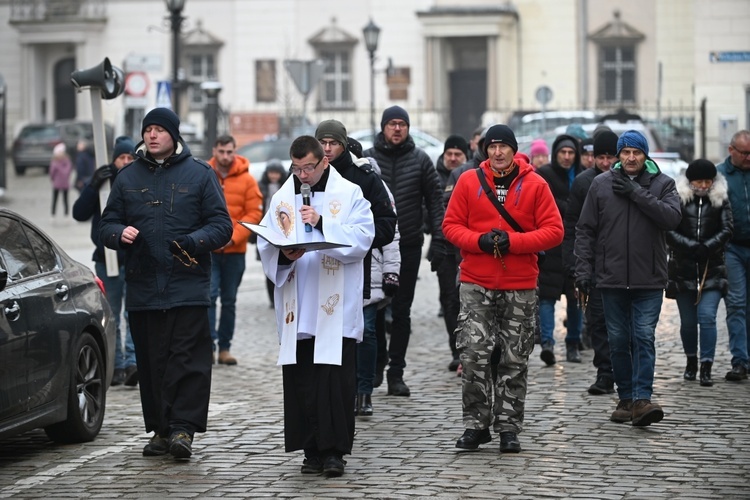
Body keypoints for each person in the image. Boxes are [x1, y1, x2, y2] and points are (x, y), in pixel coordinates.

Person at [99, 107, 233, 459]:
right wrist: (117, 233)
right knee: (152, 362)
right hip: (143, 287)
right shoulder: (127, 177)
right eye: (148, 129)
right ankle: (160, 429)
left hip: (188, 284)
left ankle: (182, 430)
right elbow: (105, 223)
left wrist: (193, 241)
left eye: (159, 129)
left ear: (174, 135)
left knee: (186, 361)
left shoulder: (201, 174)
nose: (152, 135)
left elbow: (222, 226)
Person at [257, 135, 375, 477]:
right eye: (297, 168)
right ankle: (310, 450)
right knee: (303, 381)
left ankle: (335, 451)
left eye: (308, 167)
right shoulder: (283, 197)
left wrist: (322, 222)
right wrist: (283, 254)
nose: (303, 175)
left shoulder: (349, 193)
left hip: (334, 307)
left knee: (333, 381)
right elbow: (268, 242)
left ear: (324, 161)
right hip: (299, 302)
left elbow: (363, 239)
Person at [443, 124, 564, 453]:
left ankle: (509, 427)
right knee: (473, 355)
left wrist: (516, 241)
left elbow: (554, 231)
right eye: (491, 147)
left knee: (514, 358)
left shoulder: (536, 184)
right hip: (476, 282)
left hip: (519, 284)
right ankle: (476, 425)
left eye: (503, 147)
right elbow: (450, 226)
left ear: (513, 150)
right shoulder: (469, 181)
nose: (497, 152)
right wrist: (478, 241)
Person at [575, 129, 681, 426]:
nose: (631, 157)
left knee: (643, 336)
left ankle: (642, 398)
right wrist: (583, 271)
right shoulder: (600, 185)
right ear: (619, 156)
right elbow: (585, 231)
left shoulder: (663, 183)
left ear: (645, 155)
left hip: (649, 278)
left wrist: (636, 193)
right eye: (626, 152)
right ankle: (625, 398)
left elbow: (671, 218)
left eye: (637, 152)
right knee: (619, 340)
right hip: (611, 278)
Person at [314, 120, 397, 417]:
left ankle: (363, 390)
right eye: (321, 142)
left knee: (365, 331)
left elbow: (388, 225)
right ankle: (334, 391)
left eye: (332, 143)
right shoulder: (305, 176)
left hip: (356, 268)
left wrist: (355, 239)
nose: (327, 149)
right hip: (316, 272)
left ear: (343, 144)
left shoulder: (364, 178)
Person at [363, 105, 446, 396]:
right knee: (375, 308)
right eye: (392, 124)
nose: (397, 128)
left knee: (401, 311)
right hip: (375, 246)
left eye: (402, 124)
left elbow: (436, 201)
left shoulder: (421, 159)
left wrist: (439, 239)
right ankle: (377, 363)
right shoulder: (368, 159)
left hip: (409, 244)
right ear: (383, 128)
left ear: (408, 128)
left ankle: (396, 371)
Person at [72, 136, 138, 387]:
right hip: (106, 258)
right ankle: (117, 364)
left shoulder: (138, 180)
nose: (126, 162)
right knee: (112, 315)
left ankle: (132, 363)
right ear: (113, 160)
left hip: (132, 259)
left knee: (133, 314)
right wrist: (93, 185)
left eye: (130, 157)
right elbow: (79, 213)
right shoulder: (102, 184)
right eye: (121, 157)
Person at [666, 159, 732, 387]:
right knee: (687, 322)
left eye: (707, 181)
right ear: (690, 181)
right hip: (683, 269)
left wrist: (708, 246)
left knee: (707, 318)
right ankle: (691, 361)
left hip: (711, 269)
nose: (703, 186)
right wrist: (690, 246)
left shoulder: (720, 200)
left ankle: (706, 365)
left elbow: (727, 228)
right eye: (699, 181)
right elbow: (669, 229)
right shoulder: (678, 199)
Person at [563, 130, 619, 395]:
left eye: (610, 157)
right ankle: (605, 372)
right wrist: (574, 264)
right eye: (601, 157)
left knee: (621, 322)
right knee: (598, 321)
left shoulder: (626, 181)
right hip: (593, 261)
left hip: (621, 261)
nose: (606, 163)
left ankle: (625, 371)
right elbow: (572, 224)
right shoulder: (584, 183)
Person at [207, 135, 263, 366]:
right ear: (215, 150)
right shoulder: (203, 173)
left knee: (229, 301)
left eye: (230, 152)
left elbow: (254, 213)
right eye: (221, 151)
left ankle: (225, 348)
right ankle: (208, 346)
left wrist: (232, 237)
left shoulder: (247, 180)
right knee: (208, 298)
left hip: (235, 251)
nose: (225, 157)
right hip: (209, 250)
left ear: (234, 151)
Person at [536, 134, 584, 365]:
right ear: (555, 154)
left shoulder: (583, 177)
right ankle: (547, 343)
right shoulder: (544, 174)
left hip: (575, 246)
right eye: (562, 152)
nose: (566, 157)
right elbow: (546, 205)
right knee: (546, 298)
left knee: (576, 298)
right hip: (550, 246)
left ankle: (573, 343)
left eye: (570, 153)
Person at [716, 129, 750, 381]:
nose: (749, 158)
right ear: (731, 151)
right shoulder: (719, 175)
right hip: (733, 247)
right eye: (745, 153)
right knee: (736, 303)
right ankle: (740, 360)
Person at [433, 134, 468, 371]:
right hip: (443, 248)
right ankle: (456, 349)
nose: (453, 158)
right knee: (449, 300)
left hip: (465, 248)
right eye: (449, 154)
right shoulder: (433, 175)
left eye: (458, 154)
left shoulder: (470, 175)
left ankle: (469, 349)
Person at [257, 158, 289, 307]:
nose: (274, 176)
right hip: (266, 228)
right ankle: (272, 298)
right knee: (268, 264)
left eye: (277, 173)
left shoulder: (287, 188)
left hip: (283, 229)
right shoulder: (261, 187)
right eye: (271, 173)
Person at [49, 142, 72, 217]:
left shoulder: (66, 161)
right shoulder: (54, 162)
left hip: (65, 183)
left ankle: (66, 214)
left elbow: (67, 172)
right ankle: (53, 214)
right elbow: (51, 173)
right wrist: (53, 179)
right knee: (55, 199)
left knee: (65, 199)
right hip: (57, 183)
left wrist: (58, 167)